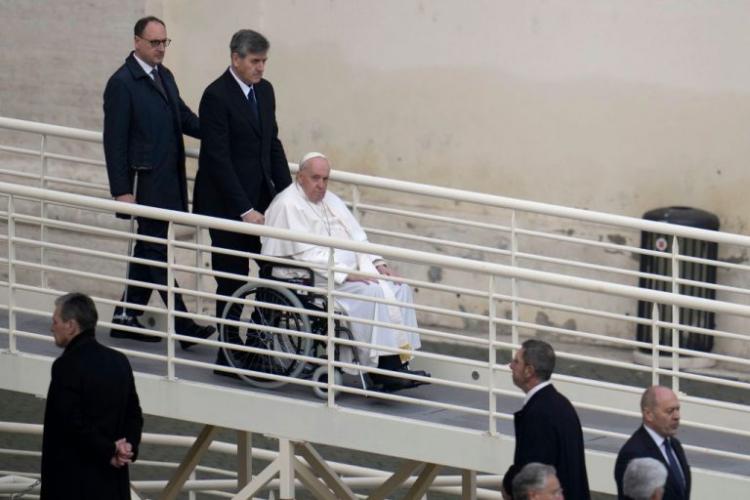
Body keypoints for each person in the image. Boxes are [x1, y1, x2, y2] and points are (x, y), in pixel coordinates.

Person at [261, 152, 424, 390]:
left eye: (326, 179)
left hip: (342, 272)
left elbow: (358, 237)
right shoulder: (287, 204)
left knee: (399, 287)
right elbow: (306, 255)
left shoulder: (331, 200)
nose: (321, 185)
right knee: (373, 293)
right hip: (310, 278)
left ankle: (399, 362)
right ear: (300, 177)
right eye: (316, 178)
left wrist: (378, 263)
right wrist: (346, 273)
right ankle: (378, 369)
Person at [103, 15, 214, 349]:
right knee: (155, 250)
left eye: (164, 42)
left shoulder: (164, 76)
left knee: (148, 250)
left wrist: (220, 133)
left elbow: (183, 117)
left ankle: (126, 316)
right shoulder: (122, 83)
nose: (161, 48)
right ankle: (183, 325)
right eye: (154, 43)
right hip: (143, 184)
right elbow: (114, 142)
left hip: (168, 181)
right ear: (137, 41)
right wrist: (121, 191)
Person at [193, 29, 292, 352]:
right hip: (226, 207)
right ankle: (229, 351)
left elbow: (272, 145)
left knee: (273, 271)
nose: (261, 68)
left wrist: (291, 197)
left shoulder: (266, 92)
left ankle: (258, 341)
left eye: (264, 61)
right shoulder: (216, 96)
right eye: (255, 61)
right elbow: (218, 160)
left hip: (262, 202)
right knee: (231, 279)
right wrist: (245, 210)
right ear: (235, 58)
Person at [41, 293, 143, 499]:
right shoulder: (120, 361)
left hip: (73, 486)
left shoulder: (66, 366)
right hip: (114, 487)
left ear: (71, 326)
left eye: (55, 322)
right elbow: (134, 415)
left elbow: (71, 424)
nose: (52, 328)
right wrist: (127, 448)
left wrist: (109, 451)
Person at [502, 339, 590, 500]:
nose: (511, 365)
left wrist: (508, 483)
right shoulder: (561, 404)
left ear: (529, 371)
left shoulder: (538, 414)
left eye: (516, 361)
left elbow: (531, 471)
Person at [614, 386, 691, 500]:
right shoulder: (633, 453)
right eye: (669, 411)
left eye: (677, 409)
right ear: (649, 414)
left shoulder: (675, 445)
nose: (677, 416)